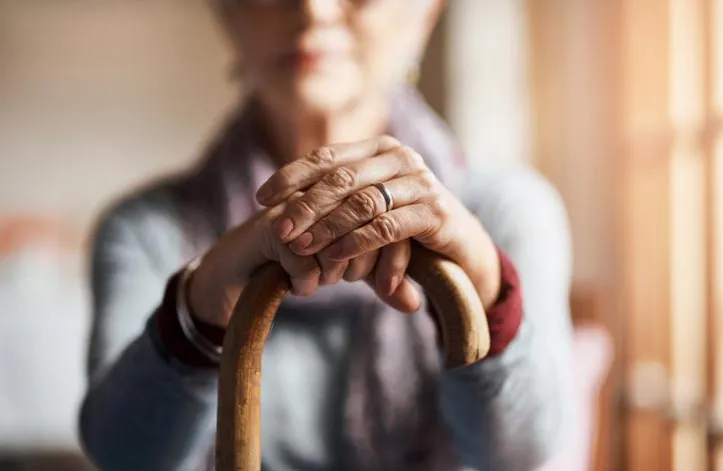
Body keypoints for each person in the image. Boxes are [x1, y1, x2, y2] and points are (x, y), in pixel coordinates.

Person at [79, 0, 576, 470]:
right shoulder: (145, 229)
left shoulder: (508, 211)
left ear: (424, 13)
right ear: (226, 11)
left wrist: (482, 286)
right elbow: (124, 458)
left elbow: (519, 456)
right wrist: (199, 306)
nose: (312, 9)